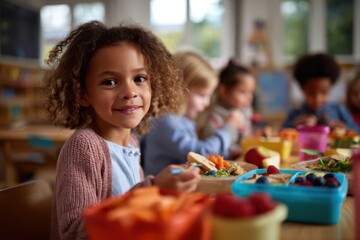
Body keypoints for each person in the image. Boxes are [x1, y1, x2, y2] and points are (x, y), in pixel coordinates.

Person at [43, 21, 201, 239]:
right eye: (109, 82)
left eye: (139, 79)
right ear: (83, 94)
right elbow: (74, 233)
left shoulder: (132, 143)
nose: (130, 91)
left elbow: (134, 218)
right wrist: (153, 190)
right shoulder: (83, 148)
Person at [142, 51, 243, 176]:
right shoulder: (167, 122)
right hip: (162, 192)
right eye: (202, 95)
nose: (206, 103)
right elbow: (200, 153)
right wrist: (229, 129)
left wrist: (228, 154)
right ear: (179, 90)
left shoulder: (182, 120)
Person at [282, 53, 360, 134]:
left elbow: (357, 131)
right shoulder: (296, 114)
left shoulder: (339, 111)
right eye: (311, 93)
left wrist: (346, 129)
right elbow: (282, 133)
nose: (317, 99)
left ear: (330, 88)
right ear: (302, 89)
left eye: (324, 92)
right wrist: (295, 126)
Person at [196, 59, 257, 158]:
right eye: (243, 92)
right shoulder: (213, 117)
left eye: (251, 92)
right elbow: (212, 149)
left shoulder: (243, 110)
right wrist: (231, 152)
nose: (249, 97)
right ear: (223, 91)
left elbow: (246, 135)